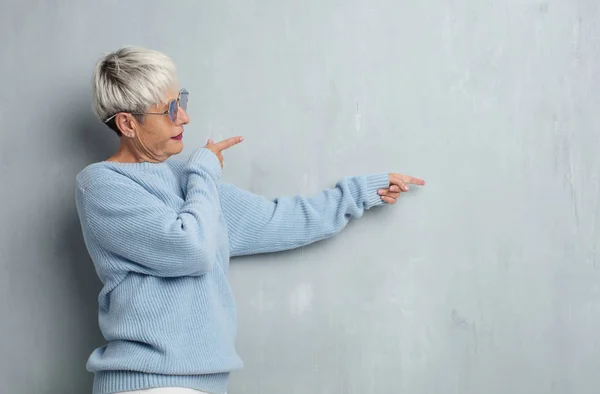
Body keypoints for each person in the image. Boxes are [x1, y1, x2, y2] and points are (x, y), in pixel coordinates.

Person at [75, 46, 425, 394]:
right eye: (169, 109)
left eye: (181, 101)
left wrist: (362, 192)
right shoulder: (103, 185)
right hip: (145, 385)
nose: (184, 117)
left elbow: (279, 219)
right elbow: (191, 249)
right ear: (126, 123)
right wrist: (203, 173)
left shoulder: (191, 182)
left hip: (206, 385)